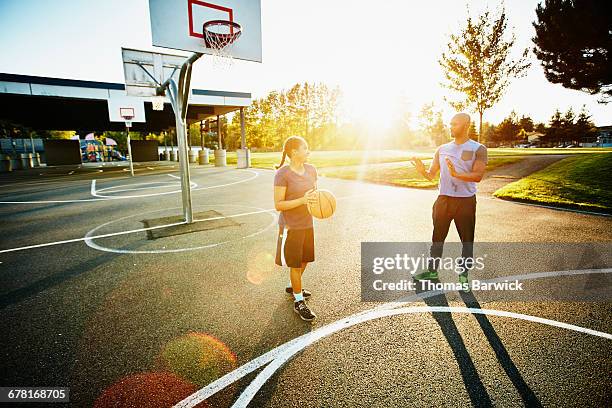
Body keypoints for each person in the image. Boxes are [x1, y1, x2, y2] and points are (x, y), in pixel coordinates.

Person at [410, 113, 488, 291]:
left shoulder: (478, 148)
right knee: (437, 239)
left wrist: (456, 174)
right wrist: (422, 171)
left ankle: (463, 275)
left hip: (465, 202)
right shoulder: (442, 149)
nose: (451, 127)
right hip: (443, 200)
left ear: (466, 125)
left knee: (467, 241)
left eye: (455, 124)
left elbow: (477, 176)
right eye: (450, 123)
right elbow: (431, 176)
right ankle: (432, 272)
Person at [274, 136, 319, 321]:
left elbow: (315, 194)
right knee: (294, 263)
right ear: (294, 152)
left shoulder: (311, 169)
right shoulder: (282, 174)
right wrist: (302, 200)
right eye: (305, 148)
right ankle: (298, 301)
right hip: (290, 227)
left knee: (305, 260)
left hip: (307, 223)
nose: (308, 151)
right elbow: (278, 204)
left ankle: (294, 285)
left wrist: (319, 203)